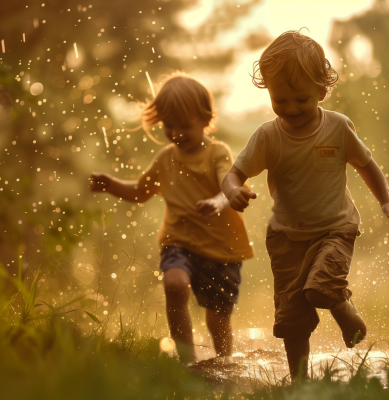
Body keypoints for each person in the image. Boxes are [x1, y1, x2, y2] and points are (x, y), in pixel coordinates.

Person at [222, 30, 389, 380]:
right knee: (290, 316)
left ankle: (341, 304)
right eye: (280, 101)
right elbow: (233, 174)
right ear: (267, 91)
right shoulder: (268, 135)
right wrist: (233, 191)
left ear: (321, 91)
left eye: (300, 99)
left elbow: (366, 165)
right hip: (285, 238)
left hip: (336, 229)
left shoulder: (338, 127)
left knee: (318, 289)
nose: (291, 109)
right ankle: (300, 382)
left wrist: (386, 200)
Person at [90, 72, 253, 362]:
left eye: (184, 125)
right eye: (169, 125)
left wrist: (218, 202)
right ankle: (187, 361)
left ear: (205, 119)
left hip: (222, 248)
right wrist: (111, 185)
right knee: (174, 284)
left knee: (217, 318)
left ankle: (225, 365)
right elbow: (140, 192)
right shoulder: (165, 158)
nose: (176, 132)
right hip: (179, 241)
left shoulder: (218, 152)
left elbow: (228, 184)